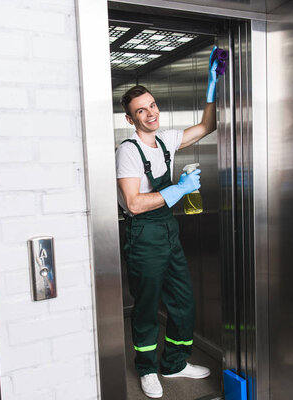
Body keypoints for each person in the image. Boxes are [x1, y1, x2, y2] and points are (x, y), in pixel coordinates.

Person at [115, 46, 224, 399]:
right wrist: (178, 188)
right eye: (141, 111)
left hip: (169, 233)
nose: (150, 114)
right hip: (144, 235)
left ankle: (175, 362)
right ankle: (147, 369)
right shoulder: (129, 151)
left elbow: (208, 126)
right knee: (146, 308)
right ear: (130, 119)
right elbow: (133, 203)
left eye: (152, 106)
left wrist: (211, 87)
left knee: (183, 300)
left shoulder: (167, 140)